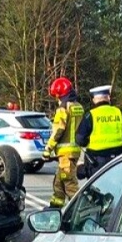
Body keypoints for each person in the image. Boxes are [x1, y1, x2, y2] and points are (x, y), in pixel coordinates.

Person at [43, 77, 85, 207]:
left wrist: (48, 149)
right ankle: (55, 208)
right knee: (59, 182)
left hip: (65, 153)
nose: (57, 100)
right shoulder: (79, 107)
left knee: (69, 183)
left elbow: (58, 130)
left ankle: (81, 209)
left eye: (56, 96)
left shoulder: (62, 109)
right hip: (75, 151)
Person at [74, 85, 122, 180]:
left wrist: (87, 142)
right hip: (119, 159)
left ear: (94, 100)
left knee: (97, 190)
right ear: (108, 98)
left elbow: (80, 139)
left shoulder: (91, 115)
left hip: (97, 162)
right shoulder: (119, 113)